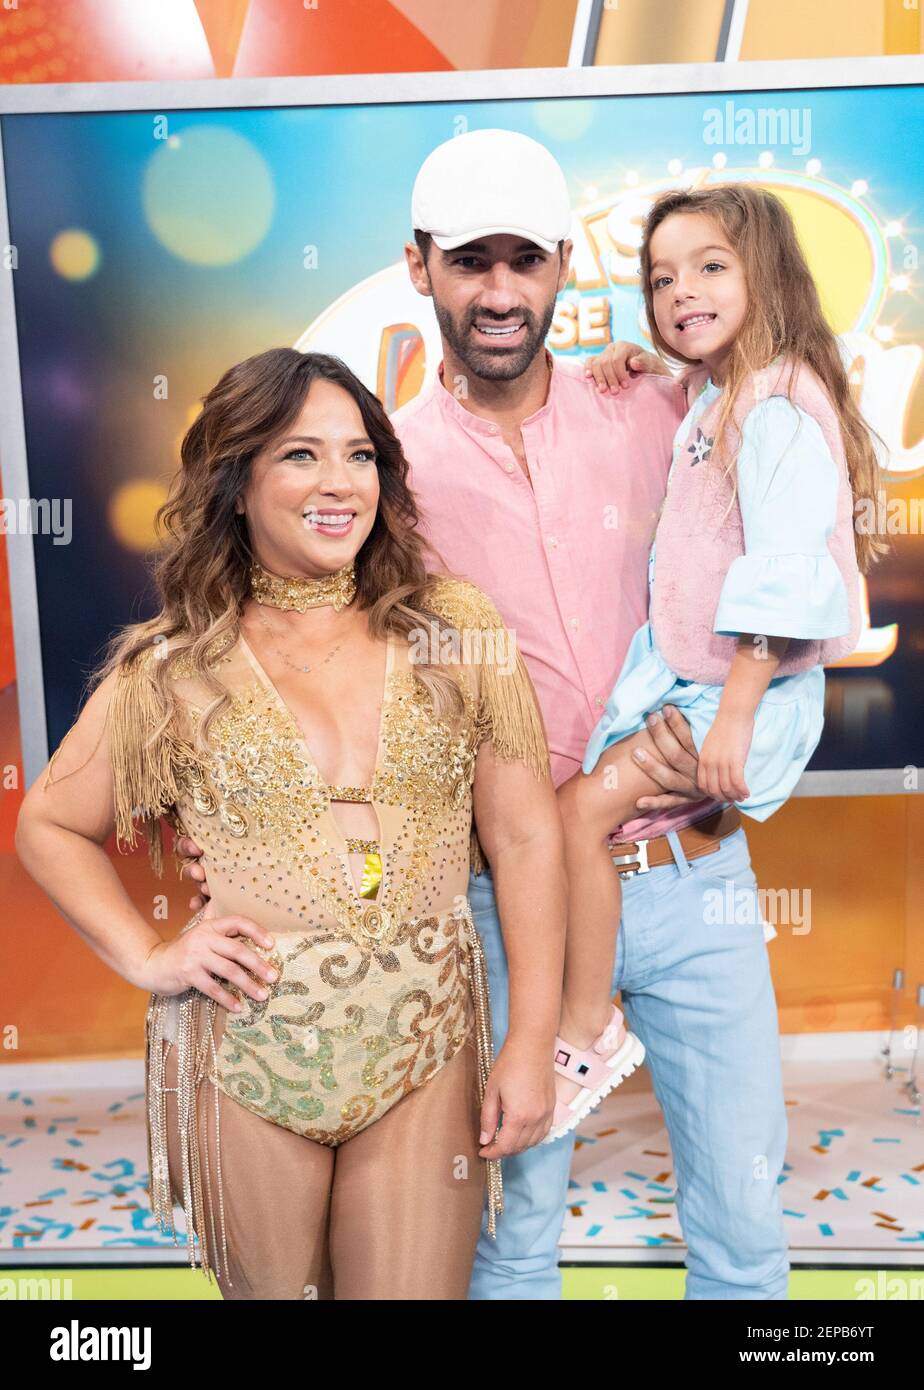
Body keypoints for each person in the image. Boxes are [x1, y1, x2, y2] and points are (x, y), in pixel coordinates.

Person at [179, 130, 797, 1300]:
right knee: (510, 1238)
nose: (501, 291)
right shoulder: (379, 478)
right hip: (506, 902)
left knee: (746, 1222)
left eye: (526, 260)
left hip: (696, 871)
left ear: (567, 265)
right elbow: (304, 661)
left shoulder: (670, 411)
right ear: (420, 267)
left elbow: (790, 534)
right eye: (472, 262)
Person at [15, 348, 568, 1300]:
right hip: (243, 1057)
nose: (339, 483)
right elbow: (49, 824)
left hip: (426, 1047)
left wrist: (531, 1042)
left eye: (359, 456)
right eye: (301, 455)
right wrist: (151, 957)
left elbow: (524, 840)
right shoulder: (172, 666)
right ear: (237, 482)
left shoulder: (455, 629)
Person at [544, 183, 883, 1140]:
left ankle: (586, 1025)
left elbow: (781, 570)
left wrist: (733, 714)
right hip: (701, 682)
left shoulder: (774, 408)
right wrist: (636, 363)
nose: (679, 289)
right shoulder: (724, 391)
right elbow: (683, 396)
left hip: (744, 689)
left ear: (762, 272)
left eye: (709, 267)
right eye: (661, 278)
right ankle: (596, 1007)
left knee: (580, 814)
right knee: (604, 824)